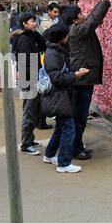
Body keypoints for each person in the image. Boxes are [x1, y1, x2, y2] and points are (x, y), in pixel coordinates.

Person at [64, 0, 112, 160]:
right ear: (74, 18)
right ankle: (75, 149)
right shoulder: (76, 29)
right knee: (79, 116)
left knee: (79, 116)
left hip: (83, 78)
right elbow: (94, 19)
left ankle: (76, 146)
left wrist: (101, 1)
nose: (83, 14)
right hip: (82, 79)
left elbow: (92, 17)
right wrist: (106, 0)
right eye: (80, 13)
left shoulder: (76, 28)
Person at [42, 23, 90, 173]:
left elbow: (63, 70)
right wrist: (75, 75)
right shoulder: (52, 53)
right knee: (69, 129)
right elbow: (56, 78)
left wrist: (76, 71)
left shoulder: (57, 51)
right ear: (61, 37)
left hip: (62, 94)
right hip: (58, 95)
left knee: (61, 128)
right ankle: (63, 163)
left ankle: (49, 155)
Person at [12, 12, 46, 155]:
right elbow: (27, 61)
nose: (34, 23)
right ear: (24, 24)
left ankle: (30, 140)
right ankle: (26, 145)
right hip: (30, 79)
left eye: (34, 21)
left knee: (33, 109)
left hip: (33, 77)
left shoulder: (31, 36)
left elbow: (42, 45)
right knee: (29, 111)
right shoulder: (24, 39)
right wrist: (32, 81)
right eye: (31, 21)